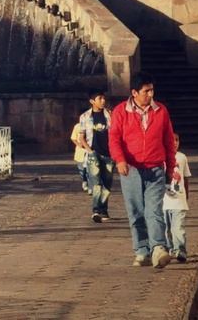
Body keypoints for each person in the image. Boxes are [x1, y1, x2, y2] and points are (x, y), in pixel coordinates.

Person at [109, 74, 177, 268]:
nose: (150, 94)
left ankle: (159, 248)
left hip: (155, 168)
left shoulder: (161, 111)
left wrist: (171, 166)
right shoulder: (121, 111)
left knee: (154, 210)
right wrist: (120, 160)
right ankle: (141, 250)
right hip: (130, 169)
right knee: (136, 211)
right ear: (134, 93)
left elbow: (169, 140)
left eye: (152, 90)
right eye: (146, 91)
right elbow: (114, 139)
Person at [72, 88, 112, 223]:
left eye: (104, 98)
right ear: (92, 101)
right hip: (93, 154)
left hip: (108, 154)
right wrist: (89, 151)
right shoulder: (85, 117)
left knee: (107, 184)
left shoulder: (110, 115)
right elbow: (81, 137)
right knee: (96, 184)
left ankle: (104, 209)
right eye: (100, 98)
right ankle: (96, 210)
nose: (103, 101)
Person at [163, 132, 191, 262]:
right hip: (163, 202)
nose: (174, 143)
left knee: (178, 228)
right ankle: (170, 250)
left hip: (179, 201)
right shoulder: (159, 157)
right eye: (171, 140)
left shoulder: (182, 157)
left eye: (177, 140)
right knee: (166, 229)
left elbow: (185, 178)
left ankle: (180, 250)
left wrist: (186, 194)